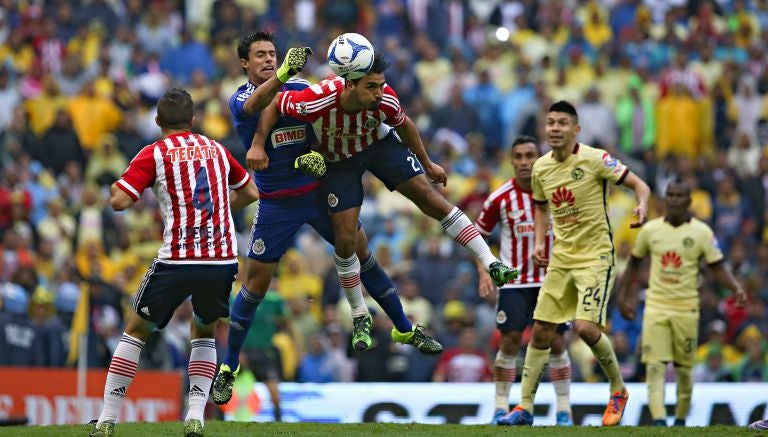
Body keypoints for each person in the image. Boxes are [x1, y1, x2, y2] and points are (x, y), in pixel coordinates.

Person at [212, 33, 443, 413]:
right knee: (255, 283)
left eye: (273, 54)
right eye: (260, 56)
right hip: (277, 206)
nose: (268, 60)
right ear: (244, 64)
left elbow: (325, 118)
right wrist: (257, 142)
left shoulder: (302, 88)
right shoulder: (240, 96)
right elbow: (259, 103)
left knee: (360, 250)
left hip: (318, 194)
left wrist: (317, 153)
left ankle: (404, 325)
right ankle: (230, 364)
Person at [254, 52, 520, 344]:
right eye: (371, 87)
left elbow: (405, 125)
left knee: (431, 200)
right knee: (345, 240)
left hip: (378, 146)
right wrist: (258, 144)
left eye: (381, 85)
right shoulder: (317, 97)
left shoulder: (387, 99)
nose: (379, 93)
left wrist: (428, 163)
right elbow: (274, 105)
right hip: (339, 162)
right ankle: (359, 314)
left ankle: (491, 261)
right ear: (349, 85)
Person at [89, 88, 260, 437]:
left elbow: (120, 201)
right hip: (221, 257)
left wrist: (122, 186)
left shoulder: (155, 153)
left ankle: (107, 419)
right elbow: (250, 193)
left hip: (178, 258)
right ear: (193, 120)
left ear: (157, 122)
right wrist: (219, 208)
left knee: (136, 330)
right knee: (205, 329)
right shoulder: (215, 148)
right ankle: (195, 415)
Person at [501, 101, 651, 427]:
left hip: (595, 257)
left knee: (584, 328)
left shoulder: (596, 159)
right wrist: (541, 241)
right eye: (551, 122)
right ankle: (524, 407)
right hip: (561, 259)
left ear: (576, 129)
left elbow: (640, 184)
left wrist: (641, 203)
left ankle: (618, 389)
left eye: (562, 123)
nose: (555, 128)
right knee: (540, 331)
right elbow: (541, 208)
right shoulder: (541, 168)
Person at [618, 179, 746, 426]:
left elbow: (717, 267)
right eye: (670, 195)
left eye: (679, 195)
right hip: (656, 306)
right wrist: (623, 298)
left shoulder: (701, 233)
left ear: (689, 201)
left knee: (684, 368)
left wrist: (736, 288)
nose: (674, 199)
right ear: (665, 200)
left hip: (686, 308)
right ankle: (659, 421)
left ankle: (680, 419)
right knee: (654, 365)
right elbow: (633, 265)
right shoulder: (650, 230)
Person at [475, 136, 573, 426]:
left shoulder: (559, 192)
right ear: (511, 161)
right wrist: (484, 271)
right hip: (515, 283)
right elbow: (477, 235)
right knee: (510, 341)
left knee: (556, 341)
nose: (524, 162)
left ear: (541, 158)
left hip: (552, 281)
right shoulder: (500, 197)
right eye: (518, 156)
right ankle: (500, 407)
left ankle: (564, 410)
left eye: (530, 155)